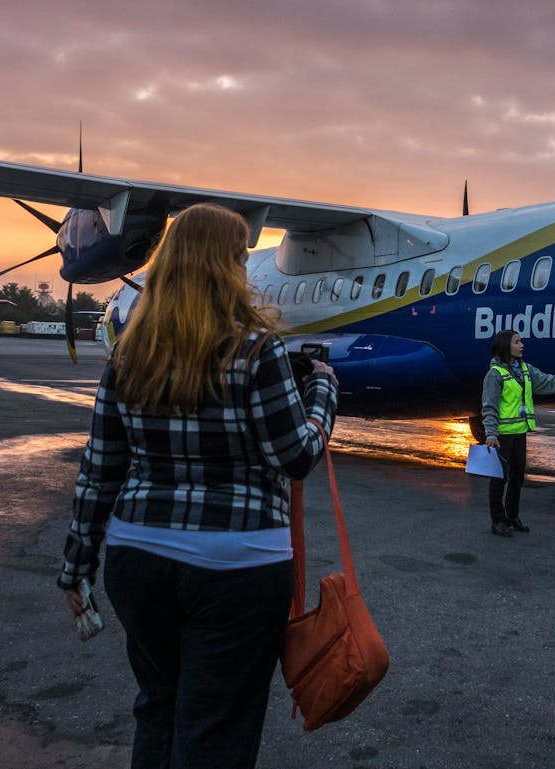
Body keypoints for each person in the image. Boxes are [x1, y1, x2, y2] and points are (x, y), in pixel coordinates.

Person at [57, 203, 338, 769]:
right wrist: (324, 395)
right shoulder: (257, 349)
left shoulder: (128, 353)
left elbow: (101, 467)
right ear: (228, 266)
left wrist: (76, 565)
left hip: (138, 558)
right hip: (236, 565)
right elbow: (296, 456)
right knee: (217, 725)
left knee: (158, 708)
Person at [480, 329, 555, 537]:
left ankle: (512, 517)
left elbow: (546, 382)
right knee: (499, 479)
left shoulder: (525, 369)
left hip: (520, 433)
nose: (522, 345)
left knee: (517, 478)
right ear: (506, 346)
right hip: (502, 436)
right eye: (517, 342)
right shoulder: (495, 374)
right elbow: (489, 406)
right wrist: (491, 433)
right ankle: (497, 521)